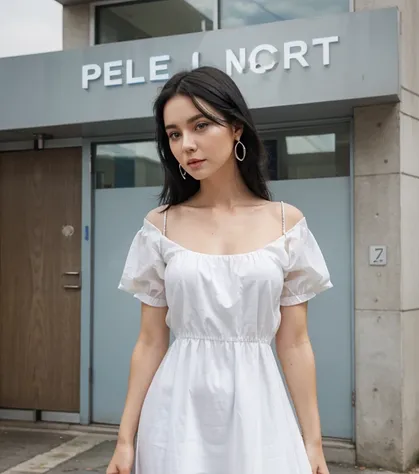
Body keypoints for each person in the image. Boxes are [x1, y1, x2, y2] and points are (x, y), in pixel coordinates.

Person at [106, 66, 333, 474]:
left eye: (201, 125)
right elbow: (150, 342)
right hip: (176, 415)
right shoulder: (161, 226)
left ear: (236, 128)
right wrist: (125, 440)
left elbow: (295, 344)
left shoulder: (286, 224)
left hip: (260, 413)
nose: (186, 145)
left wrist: (312, 442)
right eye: (174, 134)